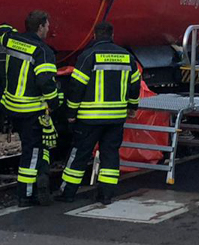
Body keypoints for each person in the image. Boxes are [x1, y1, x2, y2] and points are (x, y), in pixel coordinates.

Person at [57, 22, 142, 204]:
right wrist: (132, 107)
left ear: (94, 36)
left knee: (80, 154)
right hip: (116, 118)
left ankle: (68, 193)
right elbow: (135, 85)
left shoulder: (89, 56)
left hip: (90, 118)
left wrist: (71, 112)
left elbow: (76, 86)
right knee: (110, 155)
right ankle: (106, 195)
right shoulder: (127, 57)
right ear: (112, 35)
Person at [0, 11, 59, 206]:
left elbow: (2, 30)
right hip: (31, 110)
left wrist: (11, 28)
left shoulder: (12, 39)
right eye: (47, 25)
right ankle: (26, 195)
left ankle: (34, 185)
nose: (48, 29)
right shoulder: (43, 51)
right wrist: (55, 103)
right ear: (40, 27)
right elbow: (45, 82)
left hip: (11, 107)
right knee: (32, 152)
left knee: (31, 148)